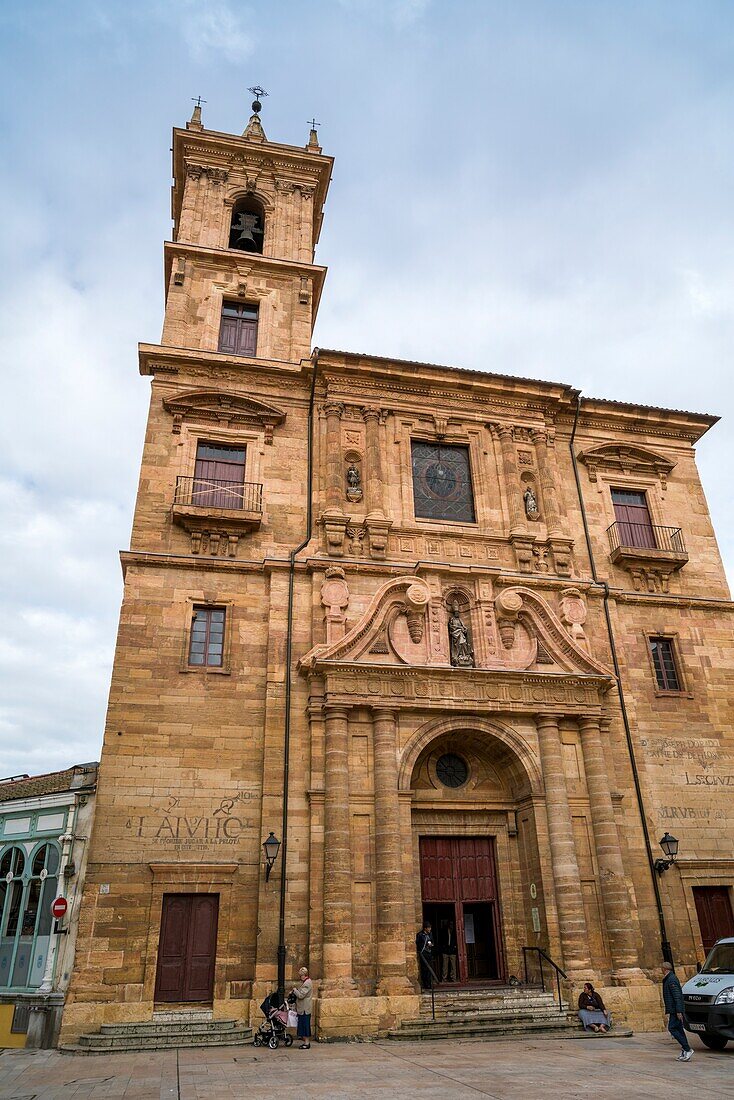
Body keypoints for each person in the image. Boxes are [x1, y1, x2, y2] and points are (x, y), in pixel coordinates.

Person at [662, 960, 693, 1062]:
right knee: (679, 1029)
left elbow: (677, 996)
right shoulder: (669, 979)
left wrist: (679, 1011)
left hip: (676, 1010)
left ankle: (688, 1049)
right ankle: (685, 1050)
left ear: (664, 969)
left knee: (672, 1028)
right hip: (674, 1010)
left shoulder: (671, 980)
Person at [292, 966, 313, 1050]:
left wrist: (294, 990)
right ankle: (305, 1041)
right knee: (303, 1024)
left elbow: (301, 995)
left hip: (305, 1008)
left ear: (304, 975)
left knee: (305, 1025)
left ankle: (307, 1043)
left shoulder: (307, 983)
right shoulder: (306, 982)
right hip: (303, 1008)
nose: (300, 977)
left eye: (301, 976)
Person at [416, 921, 434, 989]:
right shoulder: (420, 935)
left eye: (430, 928)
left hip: (429, 953)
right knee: (424, 969)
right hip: (423, 953)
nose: (430, 929)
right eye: (428, 928)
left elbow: (432, 941)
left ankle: (429, 984)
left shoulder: (430, 934)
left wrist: (431, 945)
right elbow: (417, 943)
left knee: (429, 969)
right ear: (425, 928)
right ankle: (425, 984)